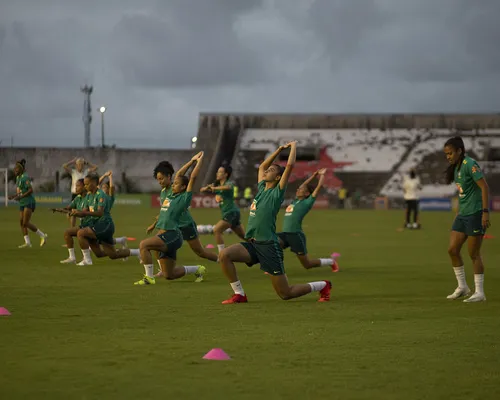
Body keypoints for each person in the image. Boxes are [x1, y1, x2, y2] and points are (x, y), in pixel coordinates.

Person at [218, 142, 332, 304]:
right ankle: (240, 295)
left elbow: (290, 165)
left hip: (268, 246)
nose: (267, 170)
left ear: (278, 177)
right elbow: (261, 167)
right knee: (225, 255)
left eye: (271, 170)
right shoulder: (262, 188)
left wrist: (293, 147)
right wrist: (278, 150)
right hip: (253, 244)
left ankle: (323, 285)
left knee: (285, 293)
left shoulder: (277, 192)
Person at [136, 152, 206, 285]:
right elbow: (179, 174)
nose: (173, 185)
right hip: (168, 235)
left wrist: (199, 162)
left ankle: (149, 278)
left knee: (144, 245)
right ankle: (197, 269)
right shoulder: (169, 195)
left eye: (176, 184)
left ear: (183, 187)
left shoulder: (184, 198)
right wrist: (191, 161)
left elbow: (193, 177)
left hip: (172, 235)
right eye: (173, 183)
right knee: (169, 275)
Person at [149, 158, 218, 278]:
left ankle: (222, 260)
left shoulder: (175, 187)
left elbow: (183, 174)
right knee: (155, 245)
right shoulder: (163, 193)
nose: (159, 181)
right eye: (158, 179)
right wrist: (154, 224)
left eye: (161, 178)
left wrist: (193, 162)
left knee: (200, 252)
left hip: (185, 225)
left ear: (169, 177)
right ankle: (163, 270)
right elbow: (165, 212)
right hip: (173, 227)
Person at [444, 136, 490, 303]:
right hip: (463, 214)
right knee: (452, 250)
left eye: (450, 153)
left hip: (475, 214)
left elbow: (484, 187)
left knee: (473, 253)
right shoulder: (456, 168)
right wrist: (458, 212)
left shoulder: (470, 164)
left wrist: (485, 212)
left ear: (459, 151)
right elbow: (464, 193)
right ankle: (463, 287)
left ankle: (479, 292)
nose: (448, 156)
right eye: (446, 154)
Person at [277, 168, 339, 271]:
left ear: (306, 194)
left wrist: (322, 175)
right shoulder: (296, 200)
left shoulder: (306, 203)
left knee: (307, 264)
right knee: (272, 242)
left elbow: (318, 187)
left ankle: (331, 261)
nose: (298, 189)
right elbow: (303, 185)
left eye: (301, 190)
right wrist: (314, 175)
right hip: (285, 234)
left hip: (296, 235)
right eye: (298, 189)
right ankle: (274, 266)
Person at [70, 174, 140, 265]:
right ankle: (137, 252)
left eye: (87, 184)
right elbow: (85, 211)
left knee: (81, 233)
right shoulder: (89, 195)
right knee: (111, 254)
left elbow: (100, 213)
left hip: (105, 225)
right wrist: (77, 212)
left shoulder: (101, 195)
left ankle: (87, 260)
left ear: (94, 183)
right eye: (85, 184)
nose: (85, 186)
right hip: (97, 225)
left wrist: (83, 213)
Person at [200, 164, 246, 254]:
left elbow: (227, 187)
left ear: (226, 174)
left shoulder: (228, 183)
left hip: (231, 212)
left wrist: (214, 188)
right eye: (218, 171)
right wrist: (208, 187)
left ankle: (222, 254)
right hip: (231, 213)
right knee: (244, 236)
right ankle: (260, 246)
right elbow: (202, 190)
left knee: (217, 230)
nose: (217, 173)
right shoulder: (217, 185)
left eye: (220, 172)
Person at [9, 159, 48, 248]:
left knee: (25, 222)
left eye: (17, 168)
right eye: (15, 168)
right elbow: (22, 191)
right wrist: (14, 196)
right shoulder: (18, 178)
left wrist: (20, 197)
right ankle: (27, 242)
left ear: (21, 169)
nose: (15, 170)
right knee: (21, 222)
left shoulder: (25, 177)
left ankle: (42, 235)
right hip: (22, 202)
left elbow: (30, 190)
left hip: (29, 202)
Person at [56, 178, 92, 263]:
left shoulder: (89, 198)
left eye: (78, 186)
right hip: (84, 226)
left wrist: (74, 212)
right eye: (75, 186)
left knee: (106, 251)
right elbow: (69, 208)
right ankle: (72, 258)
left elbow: (83, 212)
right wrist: (60, 209)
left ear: (84, 187)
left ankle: (87, 260)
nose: (75, 188)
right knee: (67, 233)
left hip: (92, 226)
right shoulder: (77, 198)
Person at [62, 157, 97, 227]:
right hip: (75, 194)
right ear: (76, 165)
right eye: (78, 164)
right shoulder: (73, 172)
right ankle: (73, 227)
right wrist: (72, 161)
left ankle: (86, 225)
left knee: (85, 211)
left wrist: (87, 163)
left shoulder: (86, 172)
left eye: (81, 165)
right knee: (73, 212)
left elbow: (96, 167)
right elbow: (64, 166)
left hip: (84, 194)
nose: (80, 166)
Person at [99, 170, 128, 251]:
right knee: (105, 242)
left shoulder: (110, 197)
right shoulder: (100, 194)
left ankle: (124, 251)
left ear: (108, 189)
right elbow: (96, 184)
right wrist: (104, 175)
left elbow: (112, 187)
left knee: (100, 241)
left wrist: (110, 177)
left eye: (105, 187)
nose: (103, 188)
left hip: (106, 221)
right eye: (103, 187)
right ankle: (121, 241)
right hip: (99, 220)